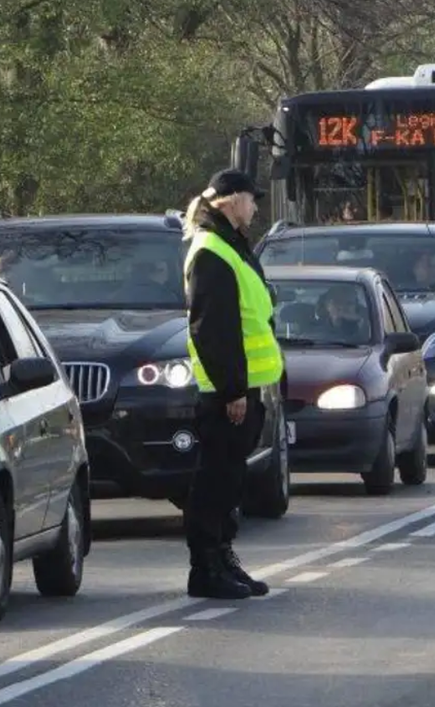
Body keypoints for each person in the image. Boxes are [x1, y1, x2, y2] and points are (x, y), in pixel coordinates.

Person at [181, 168, 284, 600]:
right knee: (216, 480)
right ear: (231, 201)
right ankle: (206, 568)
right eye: (251, 199)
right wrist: (232, 390)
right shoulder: (212, 251)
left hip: (244, 387)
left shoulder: (228, 244)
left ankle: (222, 557)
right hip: (226, 393)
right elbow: (213, 329)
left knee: (229, 480)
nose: (256, 207)